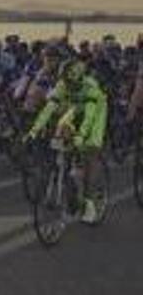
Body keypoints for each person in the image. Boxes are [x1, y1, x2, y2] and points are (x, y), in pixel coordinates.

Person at [26, 59, 108, 224]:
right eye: (64, 79)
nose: (67, 83)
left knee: (88, 152)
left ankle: (90, 201)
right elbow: (50, 107)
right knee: (63, 142)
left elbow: (89, 118)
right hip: (73, 114)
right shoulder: (62, 85)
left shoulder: (90, 87)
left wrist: (81, 136)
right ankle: (68, 180)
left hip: (94, 115)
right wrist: (36, 129)